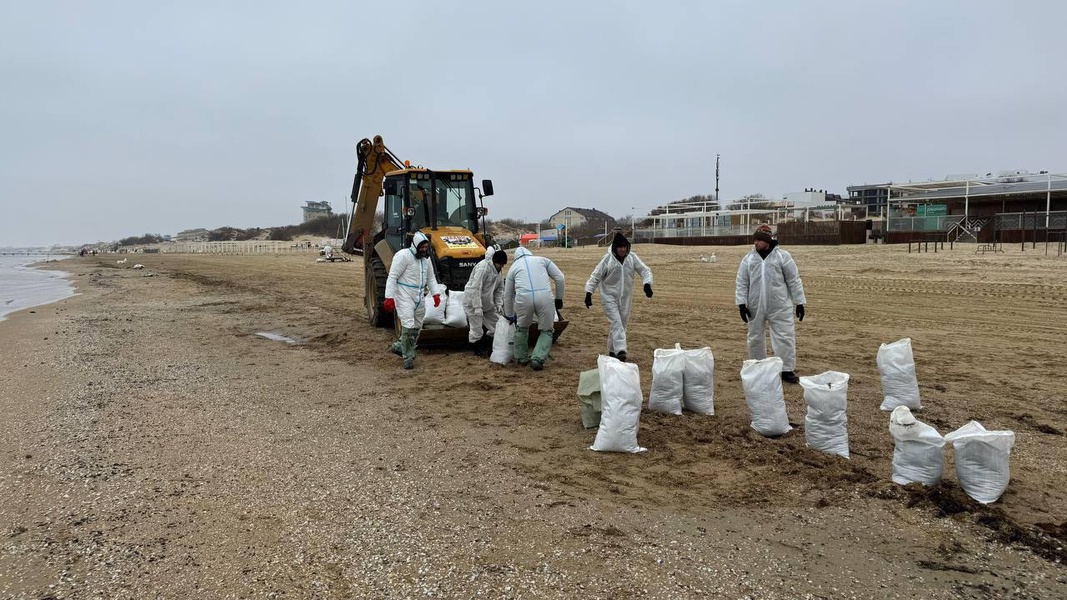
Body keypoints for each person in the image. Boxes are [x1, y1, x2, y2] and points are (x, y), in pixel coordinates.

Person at [735, 224, 807, 383]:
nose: (755, 243)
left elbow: (793, 280)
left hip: (780, 305)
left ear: (767, 240)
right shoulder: (748, 259)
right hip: (755, 305)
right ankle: (758, 366)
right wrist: (741, 304)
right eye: (755, 240)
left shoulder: (783, 256)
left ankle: (786, 369)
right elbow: (742, 282)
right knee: (754, 337)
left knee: (785, 336)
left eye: (759, 240)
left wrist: (799, 302)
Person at [583, 232, 653, 362]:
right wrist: (589, 293)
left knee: (622, 323)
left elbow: (645, 270)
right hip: (608, 296)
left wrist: (647, 284)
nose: (622, 249)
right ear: (615, 248)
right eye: (620, 247)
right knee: (616, 322)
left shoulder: (632, 258)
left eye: (624, 246)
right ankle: (621, 350)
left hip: (625, 297)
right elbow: (595, 277)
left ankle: (612, 351)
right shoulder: (606, 260)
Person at [383, 232, 445, 369]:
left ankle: (400, 346)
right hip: (404, 295)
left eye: (426, 247)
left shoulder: (426, 260)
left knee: (417, 324)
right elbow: (392, 276)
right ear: (416, 245)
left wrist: (436, 293)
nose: (424, 250)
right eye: (422, 247)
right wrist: (389, 297)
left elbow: (430, 278)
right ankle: (408, 356)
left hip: (419, 295)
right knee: (408, 324)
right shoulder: (403, 256)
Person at [503, 246, 565, 371]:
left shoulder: (513, 268)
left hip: (523, 299)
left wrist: (509, 314)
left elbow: (508, 295)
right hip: (544, 297)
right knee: (547, 330)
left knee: (522, 328)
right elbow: (560, 278)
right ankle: (537, 358)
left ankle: (521, 358)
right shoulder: (543, 260)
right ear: (530, 253)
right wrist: (559, 298)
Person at [463, 246, 507, 355]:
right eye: (500, 264)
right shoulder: (483, 268)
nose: (501, 267)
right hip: (472, 302)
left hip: (487, 303)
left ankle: (488, 345)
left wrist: (498, 304)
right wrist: (477, 306)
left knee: (497, 324)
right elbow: (476, 287)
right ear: (494, 261)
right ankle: (477, 350)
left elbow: (499, 289)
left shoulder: (498, 271)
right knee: (476, 328)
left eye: (503, 265)